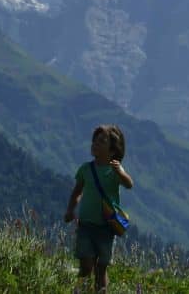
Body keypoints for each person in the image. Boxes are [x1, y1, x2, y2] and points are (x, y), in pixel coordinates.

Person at [64, 125, 134, 294]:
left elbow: (129, 184)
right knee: (87, 265)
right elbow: (77, 191)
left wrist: (121, 173)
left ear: (112, 150)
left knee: (101, 267)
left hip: (106, 227)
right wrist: (70, 209)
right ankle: (78, 286)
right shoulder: (86, 169)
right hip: (86, 225)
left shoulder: (115, 170)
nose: (95, 143)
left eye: (102, 141)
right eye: (94, 140)